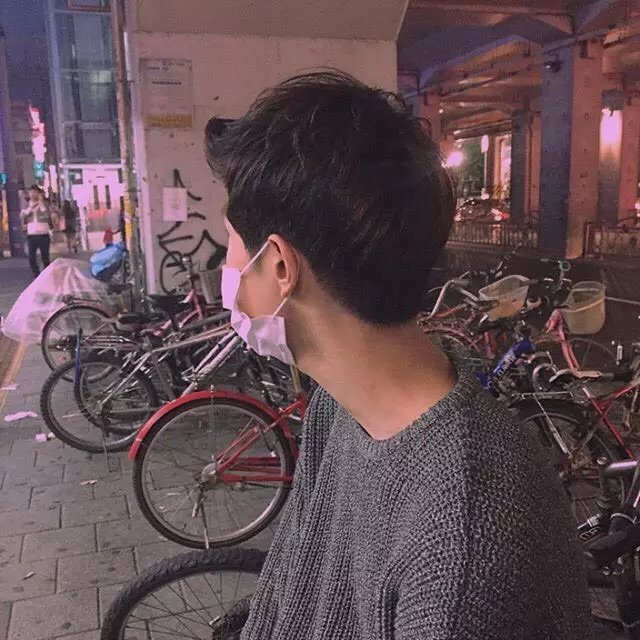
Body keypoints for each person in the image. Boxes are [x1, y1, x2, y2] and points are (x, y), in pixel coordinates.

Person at [205, 72, 593, 640]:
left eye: (232, 244)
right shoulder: (340, 408)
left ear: (282, 267)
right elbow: (290, 591)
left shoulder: (463, 538)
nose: (226, 267)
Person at [20, 185, 53, 277]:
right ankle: (36, 273)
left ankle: (46, 274)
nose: (32, 194)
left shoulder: (45, 204)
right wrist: (31, 207)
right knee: (31, 257)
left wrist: (41, 202)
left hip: (43, 234)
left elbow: (47, 215)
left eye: (35, 192)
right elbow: (23, 216)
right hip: (32, 235)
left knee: (45, 257)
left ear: (39, 193)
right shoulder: (26, 205)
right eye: (31, 192)